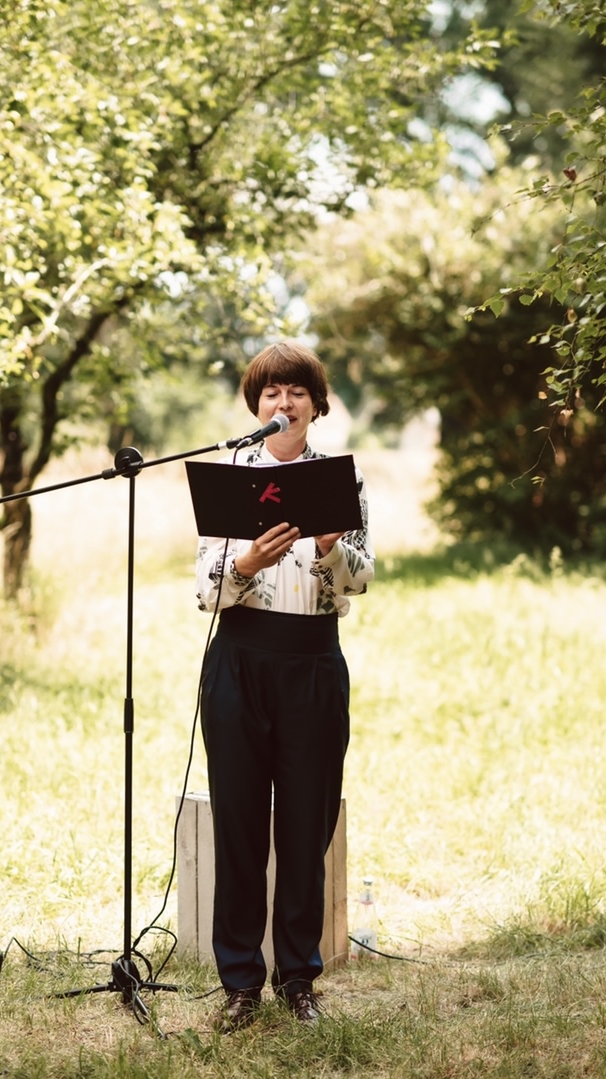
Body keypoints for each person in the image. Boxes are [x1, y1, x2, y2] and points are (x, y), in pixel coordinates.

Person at [194, 339, 375, 1031]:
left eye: (296, 390)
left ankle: (298, 978)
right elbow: (206, 593)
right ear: (256, 405)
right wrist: (244, 563)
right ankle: (239, 982)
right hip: (238, 663)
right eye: (271, 392)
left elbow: (361, 580)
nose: (283, 402)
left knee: (306, 825)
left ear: (315, 403)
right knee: (238, 823)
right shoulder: (229, 476)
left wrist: (331, 547)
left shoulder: (341, 479)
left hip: (312, 665)